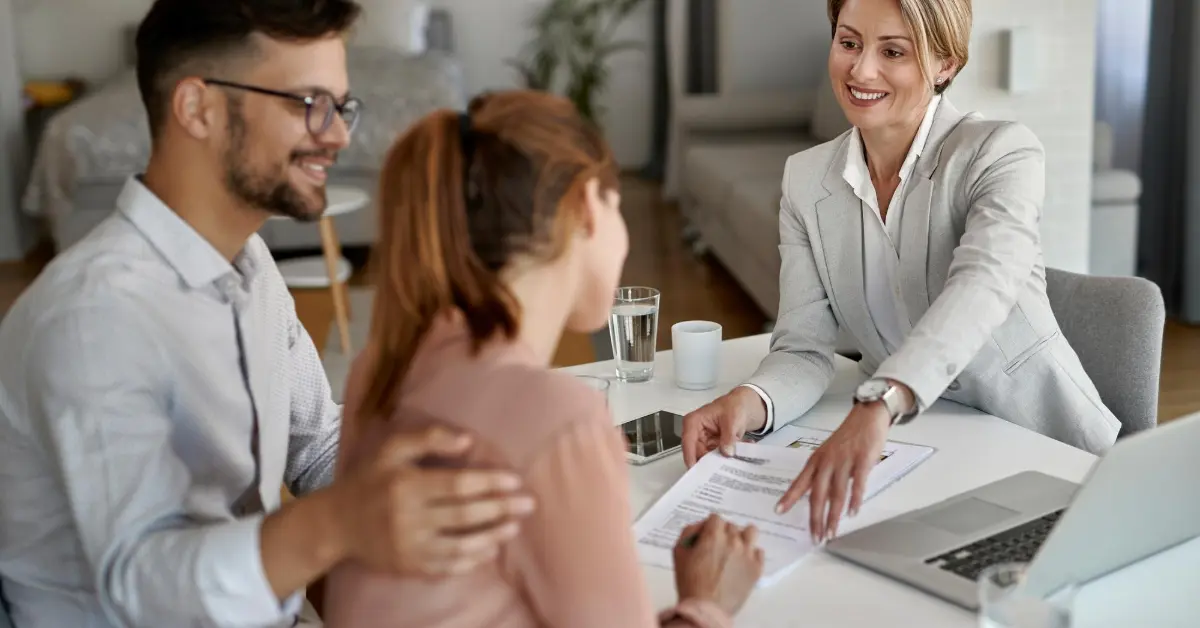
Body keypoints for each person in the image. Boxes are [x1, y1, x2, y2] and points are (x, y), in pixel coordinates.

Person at [0, 1, 535, 626]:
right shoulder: (94, 318)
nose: (337, 135)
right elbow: (141, 589)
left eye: (341, 106)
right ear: (197, 108)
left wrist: (446, 481)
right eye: (307, 103)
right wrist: (339, 521)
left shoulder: (246, 264)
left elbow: (313, 447)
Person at [681, 0, 1121, 546]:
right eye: (848, 43)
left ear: (945, 64)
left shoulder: (1000, 153)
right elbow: (802, 346)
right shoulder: (805, 180)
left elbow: (982, 284)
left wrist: (882, 401)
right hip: (919, 453)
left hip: (1041, 455)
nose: (861, 70)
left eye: (893, 51)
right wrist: (749, 402)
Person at [320, 90, 764, 627]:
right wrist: (706, 603)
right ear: (584, 207)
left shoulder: (379, 367)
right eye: (616, 203)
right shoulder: (559, 417)